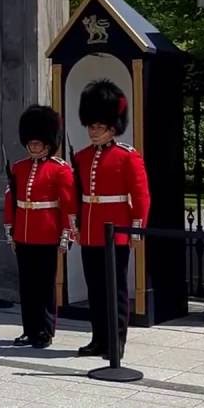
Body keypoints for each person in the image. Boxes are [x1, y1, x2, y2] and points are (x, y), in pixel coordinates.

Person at [73, 79, 150, 360]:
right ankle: (98, 338)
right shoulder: (81, 157)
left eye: (99, 127)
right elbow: (78, 196)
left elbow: (141, 197)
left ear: (113, 127)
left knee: (115, 290)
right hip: (91, 231)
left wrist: (136, 230)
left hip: (116, 230)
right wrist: (77, 227)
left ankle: (116, 341)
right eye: (91, 126)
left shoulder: (128, 157)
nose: (94, 131)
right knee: (95, 289)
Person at [4, 105, 76, 349]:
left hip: (47, 234)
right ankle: (29, 329)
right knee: (27, 286)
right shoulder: (19, 168)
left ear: (48, 143)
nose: (34, 147)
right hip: (24, 234)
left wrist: (66, 233)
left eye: (38, 143)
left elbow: (68, 204)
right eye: (31, 143)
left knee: (45, 286)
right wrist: (11, 230)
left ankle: (45, 330)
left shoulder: (60, 169)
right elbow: (11, 201)